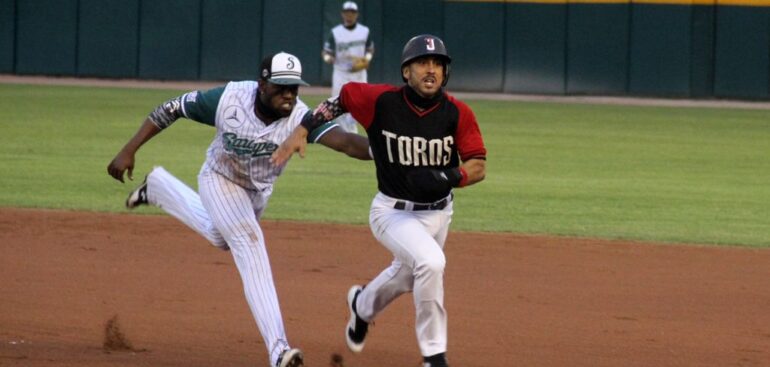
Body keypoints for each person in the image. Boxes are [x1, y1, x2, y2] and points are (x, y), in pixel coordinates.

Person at [106, 52, 370, 367]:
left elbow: (347, 142)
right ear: (261, 84)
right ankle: (279, 350)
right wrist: (129, 149)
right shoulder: (228, 100)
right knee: (248, 242)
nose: (288, 94)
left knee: (222, 238)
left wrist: (388, 147)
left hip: (257, 192)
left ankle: (159, 187)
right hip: (220, 178)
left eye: (294, 87)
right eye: (281, 86)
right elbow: (171, 108)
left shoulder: (300, 117)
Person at [272, 35, 487, 367]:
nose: (431, 70)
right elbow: (340, 100)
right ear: (406, 72)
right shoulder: (380, 101)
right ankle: (434, 355)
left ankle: (362, 305)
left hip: (440, 213)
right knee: (431, 263)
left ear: (446, 73)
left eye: (438, 64)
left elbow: (478, 166)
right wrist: (303, 128)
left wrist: (448, 177)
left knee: (407, 275)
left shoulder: (458, 113)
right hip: (391, 212)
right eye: (422, 63)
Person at [321, 0, 374, 134]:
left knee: (361, 102)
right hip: (341, 73)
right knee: (337, 102)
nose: (349, 15)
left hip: (359, 72)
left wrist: (366, 59)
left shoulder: (364, 31)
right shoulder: (336, 32)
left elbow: (370, 49)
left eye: (352, 13)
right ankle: (343, 134)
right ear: (342, 14)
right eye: (347, 12)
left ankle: (350, 128)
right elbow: (326, 53)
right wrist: (331, 60)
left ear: (356, 15)